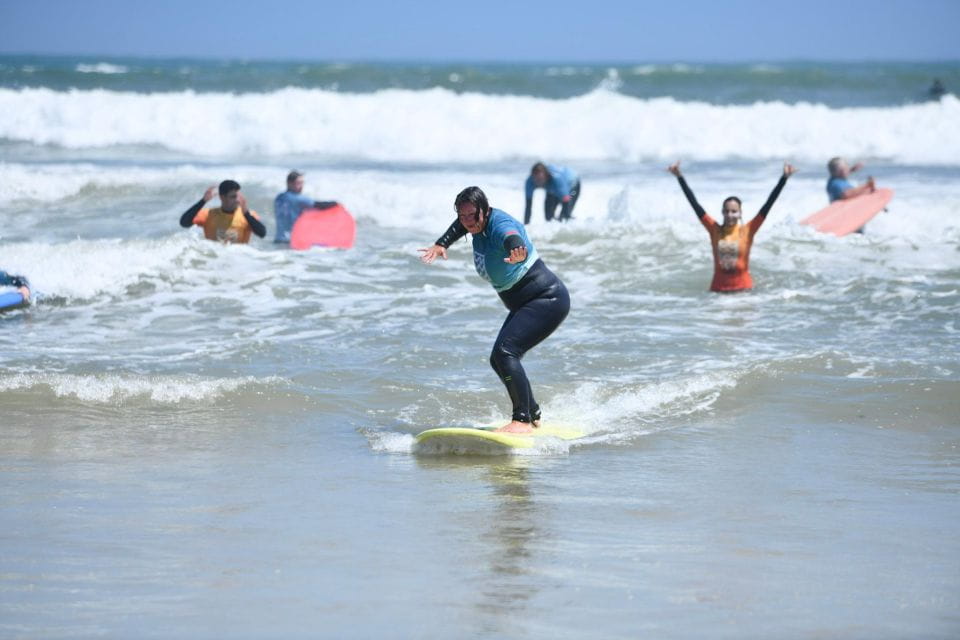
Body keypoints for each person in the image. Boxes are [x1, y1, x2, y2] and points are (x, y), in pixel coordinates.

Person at [419, 186, 570, 434]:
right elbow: (460, 226)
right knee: (497, 359)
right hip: (526, 303)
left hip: (547, 299)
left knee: (505, 353)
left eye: (472, 216)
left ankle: (521, 421)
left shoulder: (499, 224)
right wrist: (441, 244)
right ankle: (532, 414)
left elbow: (511, 236)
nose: (467, 222)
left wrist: (516, 249)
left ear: (485, 211)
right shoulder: (472, 223)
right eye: (462, 215)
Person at [668, 161, 796, 293]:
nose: (730, 215)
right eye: (727, 211)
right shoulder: (714, 230)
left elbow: (768, 205)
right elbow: (695, 205)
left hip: (744, 293)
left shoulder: (748, 230)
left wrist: (784, 178)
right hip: (717, 293)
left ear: (740, 213)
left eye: (734, 211)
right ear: (722, 212)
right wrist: (679, 177)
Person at [179, 180, 266, 244]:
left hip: (240, 261)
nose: (237, 200)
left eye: (238, 196)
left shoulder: (248, 215)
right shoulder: (208, 214)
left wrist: (246, 214)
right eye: (233, 197)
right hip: (215, 260)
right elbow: (184, 223)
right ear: (222, 197)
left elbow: (262, 233)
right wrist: (203, 201)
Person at [274, 170, 339, 244]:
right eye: (298, 183)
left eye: (302, 183)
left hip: (278, 239)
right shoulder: (298, 198)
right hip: (291, 242)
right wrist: (335, 203)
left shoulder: (279, 197)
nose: (301, 186)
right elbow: (319, 205)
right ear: (289, 183)